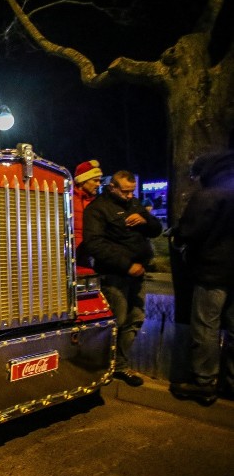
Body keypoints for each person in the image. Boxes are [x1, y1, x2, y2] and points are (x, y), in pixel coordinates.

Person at [83, 170, 163, 387]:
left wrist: (145, 218)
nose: (129, 196)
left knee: (135, 319)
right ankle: (104, 367)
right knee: (116, 321)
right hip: (115, 275)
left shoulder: (134, 204)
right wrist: (126, 265)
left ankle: (119, 365)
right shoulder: (98, 209)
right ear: (113, 188)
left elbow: (157, 230)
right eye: (125, 192)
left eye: (132, 192)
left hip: (137, 273)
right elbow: (95, 244)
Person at [169, 150, 234, 404]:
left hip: (213, 271)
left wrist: (178, 236)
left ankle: (203, 382)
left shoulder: (209, 195)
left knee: (206, 327)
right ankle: (230, 382)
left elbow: (189, 231)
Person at [73, 159, 103, 266]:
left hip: (91, 253)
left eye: (99, 181)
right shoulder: (68, 199)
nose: (99, 184)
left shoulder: (97, 202)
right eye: (95, 180)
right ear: (83, 181)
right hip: (71, 253)